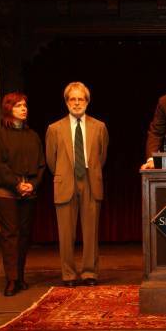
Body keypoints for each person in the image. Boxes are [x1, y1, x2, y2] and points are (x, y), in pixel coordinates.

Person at [45, 82, 109, 287]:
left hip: (91, 182)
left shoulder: (99, 127)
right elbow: (50, 160)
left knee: (91, 232)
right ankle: (69, 275)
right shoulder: (54, 129)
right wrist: (65, 174)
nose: (77, 103)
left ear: (87, 101)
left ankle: (90, 273)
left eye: (81, 99)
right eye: (72, 99)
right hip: (66, 182)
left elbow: (102, 156)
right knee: (66, 234)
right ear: (66, 102)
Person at [0, 92, 45, 296]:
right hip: (5, 193)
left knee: (23, 236)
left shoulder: (33, 136)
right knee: (10, 235)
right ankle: (11, 279)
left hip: (28, 192)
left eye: (25, 105)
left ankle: (20, 277)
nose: (24, 109)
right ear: (8, 109)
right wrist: (17, 184)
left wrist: (32, 185)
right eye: (18, 105)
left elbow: (41, 165)